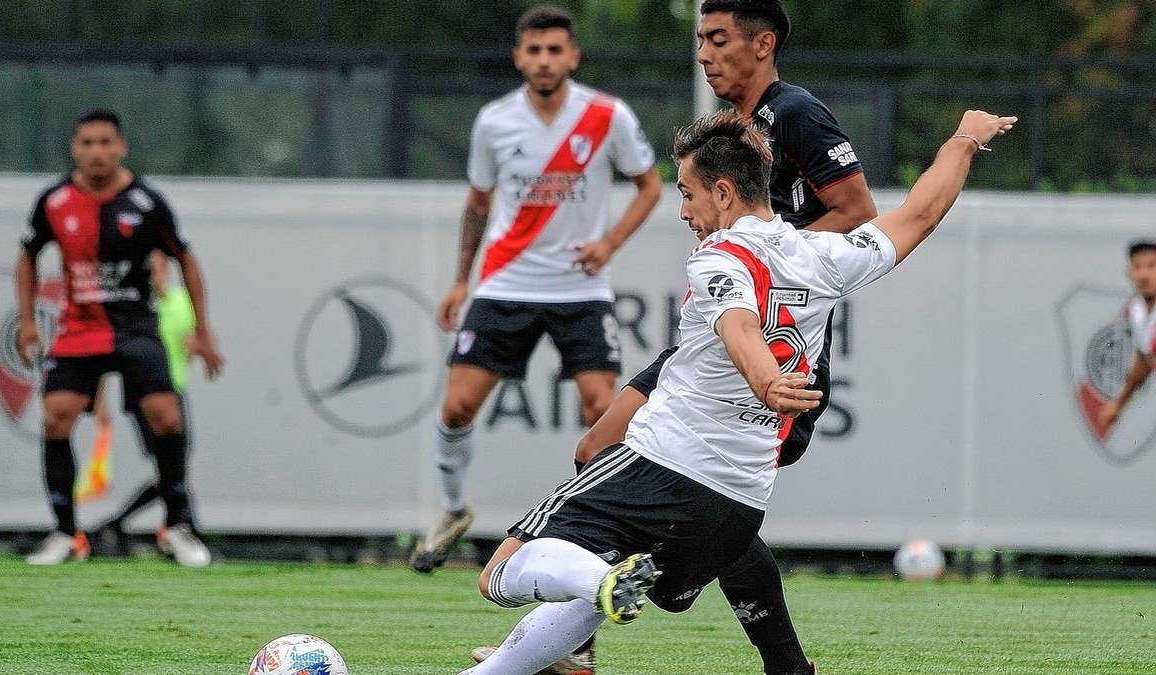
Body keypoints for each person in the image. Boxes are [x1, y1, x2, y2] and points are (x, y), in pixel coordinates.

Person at [458, 108, 1016, 675]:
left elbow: (739, 324)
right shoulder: (822, 256)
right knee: (598, 586)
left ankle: (605, 580)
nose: (684, 211)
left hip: (662, 467)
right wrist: (964, 139)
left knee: (501, 573)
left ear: (723, 192)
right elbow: (919, 215)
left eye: (688, 193)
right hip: (739, 505)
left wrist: (766, 380)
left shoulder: (720, 256)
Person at [473, 2, 877, 672]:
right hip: (717, 339)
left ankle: (784, 663)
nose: (705, 54)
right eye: (700, 40)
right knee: (597, 444)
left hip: (772, 351)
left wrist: (769, 263)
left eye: (719, 40)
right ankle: (582, 632)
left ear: (763, 43)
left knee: (711, 503)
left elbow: (858, 210)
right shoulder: (730, 134)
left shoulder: (795, 112)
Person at [410, 4, 662, 574]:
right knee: (456, 408)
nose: (545, 60)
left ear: (572, 56)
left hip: (581, 289)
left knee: (603, 412)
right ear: (518, 56)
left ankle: (595, 535)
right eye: (534, 49)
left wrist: (610, 243)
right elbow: (478, 203)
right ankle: (452, 510)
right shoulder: (495, 121)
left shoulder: (606, 115)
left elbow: (650, 186)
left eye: (555, 50)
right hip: (506, 282)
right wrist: (460, 281)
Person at [17, 108, 223, 566]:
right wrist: (28, 320)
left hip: (135, 327)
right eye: (87, 143)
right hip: (79, 329)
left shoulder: (146, 201)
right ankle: (66, 533)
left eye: (106, 142)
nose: (97, 151)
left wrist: (203, 332)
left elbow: (185, 260)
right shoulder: (54, 200)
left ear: (121, 147)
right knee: (56, 417)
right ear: (75, 148)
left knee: (167, 418)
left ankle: (178, 526)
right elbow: (28, 254)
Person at [91, 250, 209, 561]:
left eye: (157, 268)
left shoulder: (181, 300)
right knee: (173, 468)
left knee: (175, 468)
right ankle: (184, 532)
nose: (153, 275)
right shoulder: (132, 307)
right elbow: (106, 353)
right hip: (143, 395)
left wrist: (196, 345)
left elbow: (196, 338)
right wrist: (98, 398)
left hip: (174, 393)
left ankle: (125, 525)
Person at [1097, 239, 1156, 433]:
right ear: (1130, 273)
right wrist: (1119, 404)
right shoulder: (1136, 310)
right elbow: (1145, 358)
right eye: (1137, 267)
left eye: (1152, 266)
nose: (1144, 275)